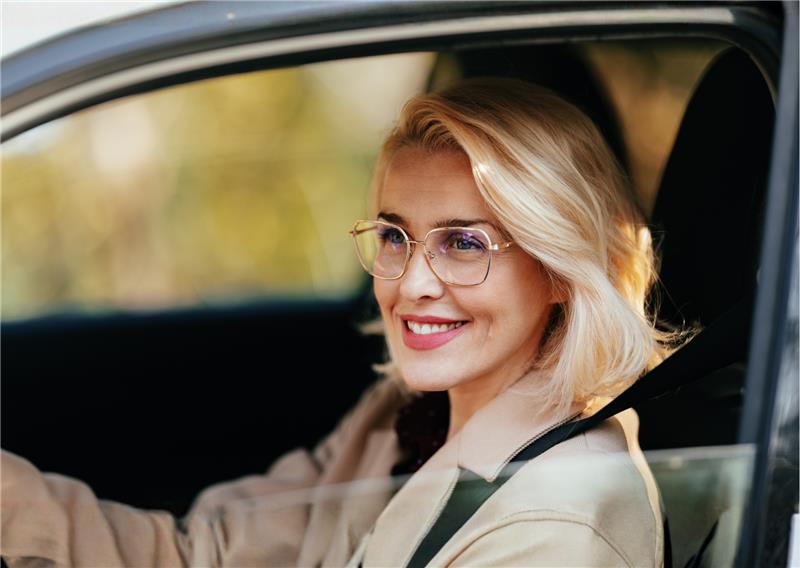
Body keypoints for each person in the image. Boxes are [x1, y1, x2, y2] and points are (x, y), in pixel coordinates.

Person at [2, 77, 670, 567]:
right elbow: (206, 554)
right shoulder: (399, 420)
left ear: (559, 270)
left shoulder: (559, 523)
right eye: (393, 236)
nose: (410, 283)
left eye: (464, 244)